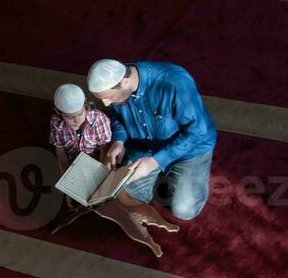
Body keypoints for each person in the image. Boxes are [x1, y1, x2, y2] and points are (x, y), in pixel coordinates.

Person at [86, 58, 216, 221]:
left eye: (109, 97)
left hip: (188, 148)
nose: (106, 103)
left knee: (184, 210)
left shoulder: (175, 82)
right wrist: (119, 140)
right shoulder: (116, 85)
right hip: (143, 146)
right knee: (123, 195)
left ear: (125, 82)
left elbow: (197, 132)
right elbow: (117, 118)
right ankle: (161, 175)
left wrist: (155, 161)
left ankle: (183, 173)